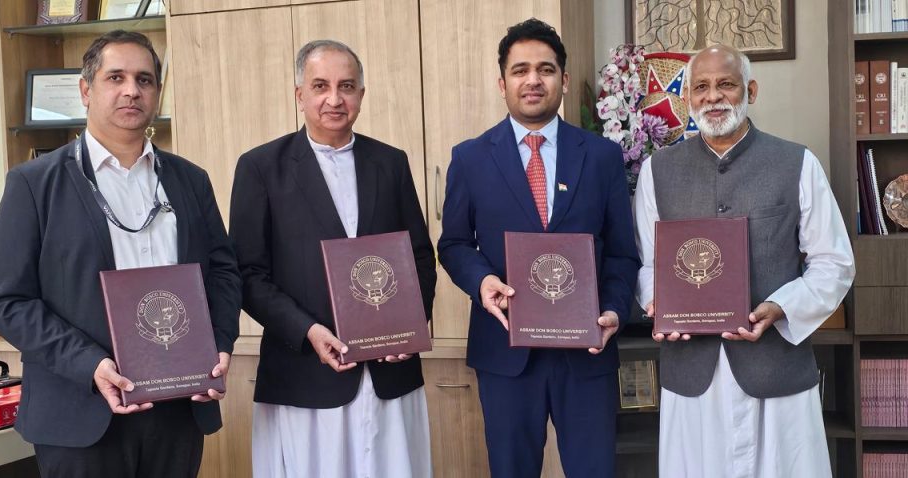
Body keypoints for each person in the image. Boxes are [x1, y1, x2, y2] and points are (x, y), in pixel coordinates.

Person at [0, 30, 242, 478]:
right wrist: (90, 365)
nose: (132, 91)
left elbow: (222, 273)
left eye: (145, 80)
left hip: (178, 407)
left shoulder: (190, 180)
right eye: (116, 77)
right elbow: (9, 302)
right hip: (80, 412)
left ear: (157, 93)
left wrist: (219, 343)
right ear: (86, 90)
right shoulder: (34, 184)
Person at [633, 44, 855, 477]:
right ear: (688, 98)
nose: (713, 96)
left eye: (726, 84)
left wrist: (782, 307)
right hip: (692, 374)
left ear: (750, 90)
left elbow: (834, 262)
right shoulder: (656, 171)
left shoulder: (798, 163)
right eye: (701, 87)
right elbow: (646, 264)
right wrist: (657, 303)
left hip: (776, 371)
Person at [437, 18, 640, 478]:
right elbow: (453, 244)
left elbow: (622, 252)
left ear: (563, 80)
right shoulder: (470, 158)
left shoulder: (602, 156)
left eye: (545, 70)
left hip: (587, 350)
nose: (533, 80)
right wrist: (482, 282)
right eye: (520, 70)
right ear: (502, 83)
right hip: (506, 353)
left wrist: (613, 309)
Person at [229, 39, 436, 478]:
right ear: (299, 94)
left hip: (389, 376)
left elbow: (419, 256)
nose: (334, 99)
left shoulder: (391, 163)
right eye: (320, 86)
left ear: (361, 93)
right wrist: (308, 331)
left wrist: (409, 328)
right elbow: (248, 274)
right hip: (304, 375)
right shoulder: (261, 167)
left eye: (346, 86)